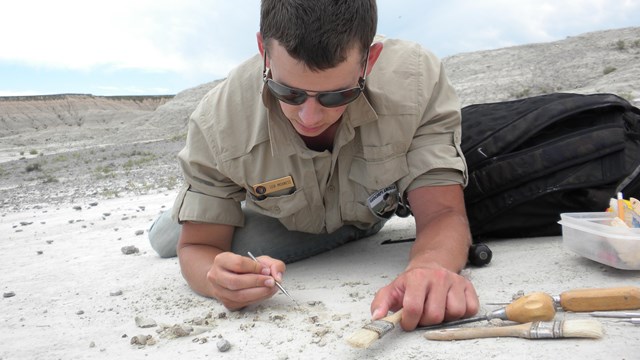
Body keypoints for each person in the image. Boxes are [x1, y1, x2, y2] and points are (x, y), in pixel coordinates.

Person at [148, 0, 479, 331]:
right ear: (264, 51)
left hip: (356, 215)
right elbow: (198, 246)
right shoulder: (218, 120)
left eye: (336, 96)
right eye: (289, 93)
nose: (310, 117)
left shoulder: (416, 82)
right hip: (274, 212)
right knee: (166, 240)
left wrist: (430, 267)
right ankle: (188, 205)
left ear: (369, 61)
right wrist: (215, 279)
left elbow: (443, 213)